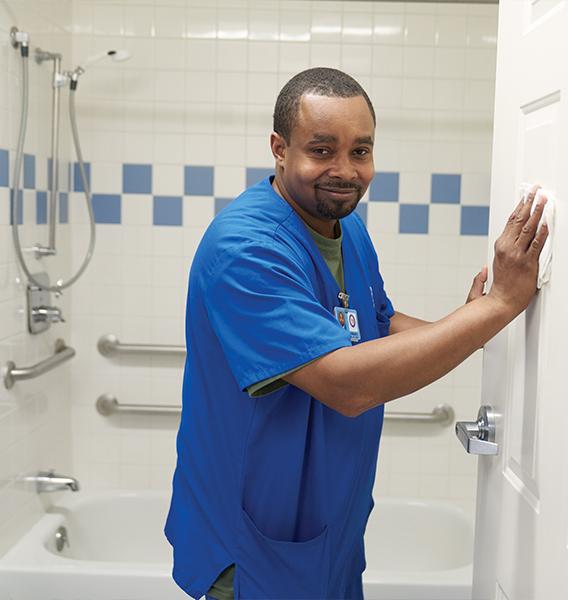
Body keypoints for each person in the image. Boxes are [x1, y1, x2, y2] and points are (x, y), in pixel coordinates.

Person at [165, 67, 548, 600]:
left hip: (330, 533)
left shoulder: (346, 228)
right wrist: (498, 306)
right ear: (280, 148)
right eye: (322, 150)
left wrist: (480, 326)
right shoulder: (246, 249)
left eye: (360, 151)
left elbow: (377, 322)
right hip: (255, 547)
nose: (345, 171)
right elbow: (347, 384)